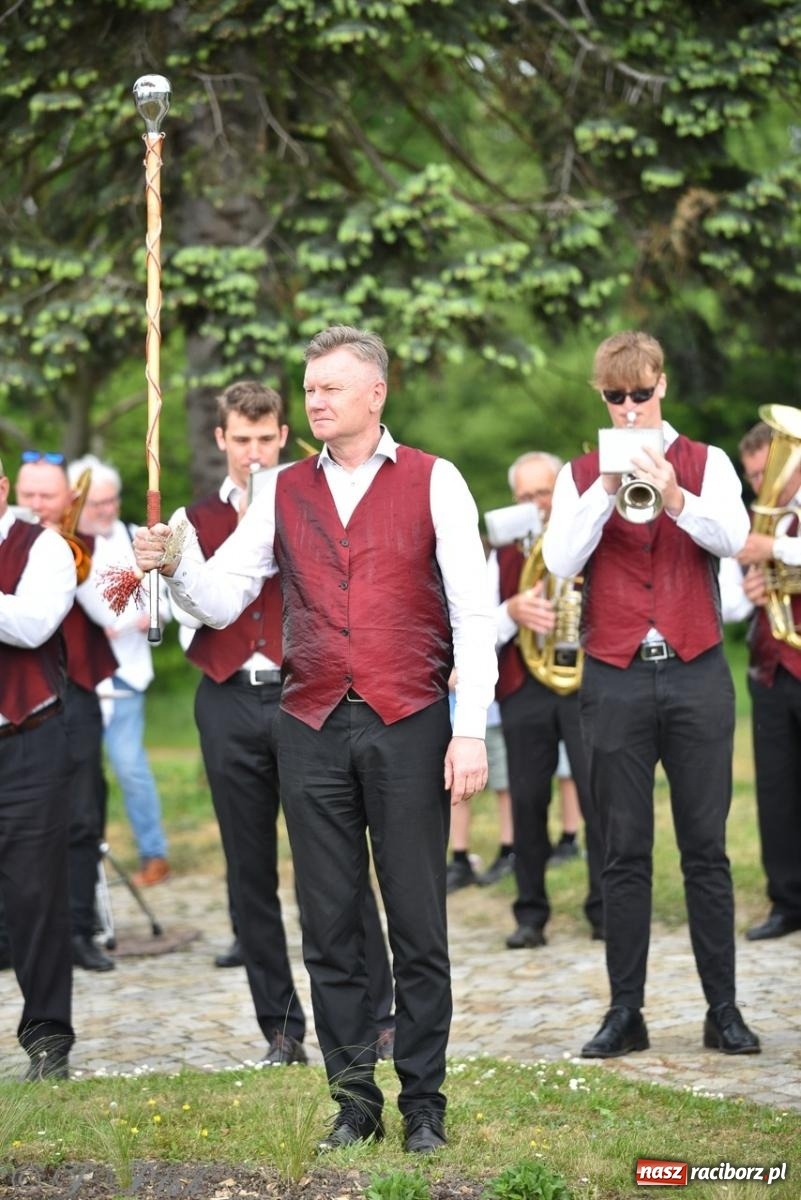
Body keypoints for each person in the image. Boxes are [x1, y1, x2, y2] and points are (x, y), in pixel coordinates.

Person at [134, 326, 496, 1154]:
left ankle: (425, 1104)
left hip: (409, 720)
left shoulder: (435, 479)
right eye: (310, 388)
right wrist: (175, 563)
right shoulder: (280, 488)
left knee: (417, 923)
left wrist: (469, 729)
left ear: (376, 392)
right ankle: (353, 1102)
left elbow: (473, 612)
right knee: (328, 924)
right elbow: (221, 600)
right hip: (309, 726)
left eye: (331, 387)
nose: (316, 401)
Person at [543, 329, 760, 1058]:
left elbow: (731, 537)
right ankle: (624, 1011)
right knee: (622, 849)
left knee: (706, 849)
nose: (630, 407)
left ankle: (722, 1009)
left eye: (640, 393)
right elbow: (560, 560)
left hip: (696, 670)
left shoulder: (708, 461)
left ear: (661, 385)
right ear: (601, 397)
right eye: (616, 396)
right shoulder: (579, 475)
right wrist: (605, 490)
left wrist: (674, 495)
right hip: (615, 674)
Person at [169, 379, 396, 1067]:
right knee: (249, 869)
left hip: (306, 695)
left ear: (283, 436)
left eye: (266, 439)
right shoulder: (191, 518)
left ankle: (379, 1015)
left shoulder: (311, 498)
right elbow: (186, 610)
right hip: (227, 695)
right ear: (221, 440)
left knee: (338, 857)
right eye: (242, 440)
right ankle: (280, 1027)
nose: (255, 453)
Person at [492, 451, 604, 947]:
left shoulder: (590, 534)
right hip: (525, 686)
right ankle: (530, 915)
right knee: (528, 799)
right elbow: (478, 624)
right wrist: (512, 611)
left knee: (598, 795)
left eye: (544, 492)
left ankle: (606, 910)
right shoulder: (501, 551)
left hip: (585, 684)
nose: (536, 504)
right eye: (525, 496)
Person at [16, 453, 119, 974]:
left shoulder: (92, 547)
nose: (36, 505)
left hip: (73, 691)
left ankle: (79, 928)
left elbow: (115, 611)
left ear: (69, 499)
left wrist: (64, 549)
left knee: (81, 814)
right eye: (28, 495)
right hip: (16, 698)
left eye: (47, 496)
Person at [0, 453, 78, 1079]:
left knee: (36, 893)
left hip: (26, 738)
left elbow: (31, 625)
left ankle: (48, 1038)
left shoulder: (45, 547)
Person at [69, 455, 171, 888]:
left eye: (111, 500)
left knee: (130, 767)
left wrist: (137, 617)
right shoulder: (67, 546)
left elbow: (163, 604)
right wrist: (126, 612)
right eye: (97, 503)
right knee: (81, 775)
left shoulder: (134, 537)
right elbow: (101, 610)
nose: (106, 509)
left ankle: (154, 853)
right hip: (79, 679)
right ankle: (82, 861)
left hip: (126, 674)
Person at [728, 420, 801, 941]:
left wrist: (772, 549)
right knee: (776, 790)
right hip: (771, 668)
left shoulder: (770, 532)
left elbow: (780, 552)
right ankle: (788, 900)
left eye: (768, 472)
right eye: (754, 476)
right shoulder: (760, 522)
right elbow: (732, 605)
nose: (761, 485)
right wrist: (751, 589)